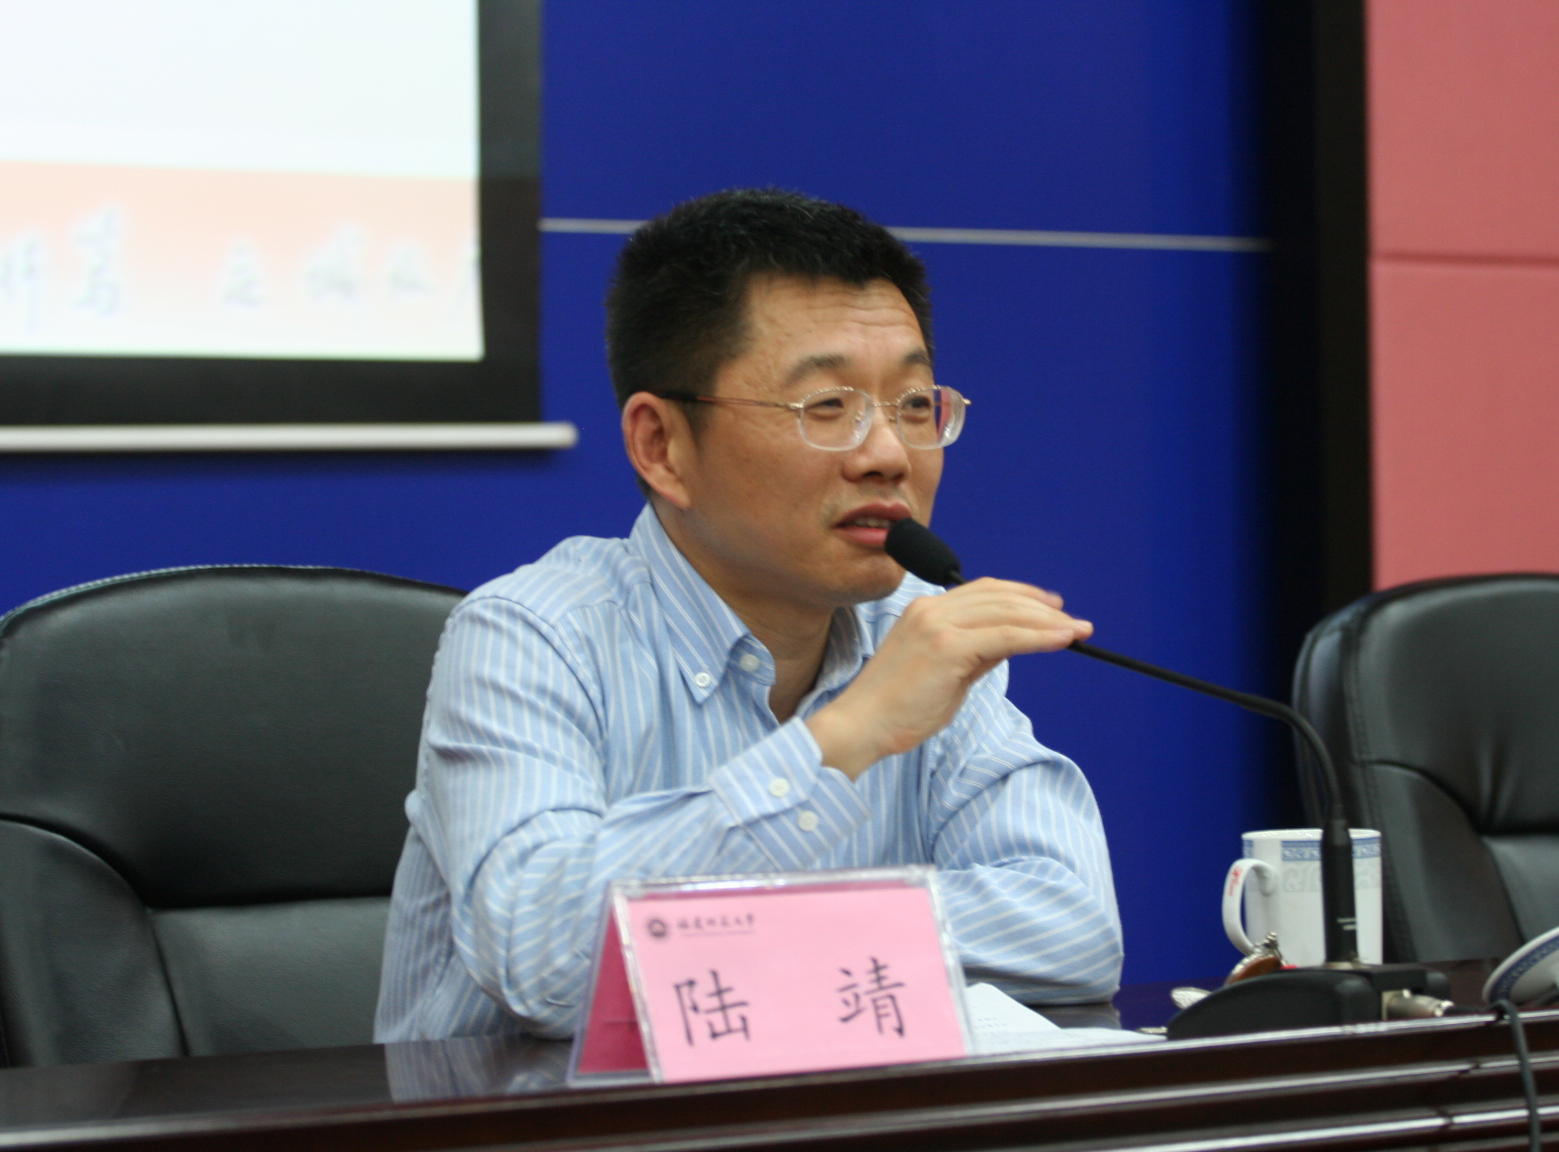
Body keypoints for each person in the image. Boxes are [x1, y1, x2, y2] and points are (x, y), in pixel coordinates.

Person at [375, 188, 1122, 1042]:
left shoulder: (916, 628)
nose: (887, 454)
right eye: (827, 407)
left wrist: (729, 932)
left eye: (915, 405)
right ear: (661, 446)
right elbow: (543, 957)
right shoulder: (533, 637)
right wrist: (849, 735)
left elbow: (1071, 925)